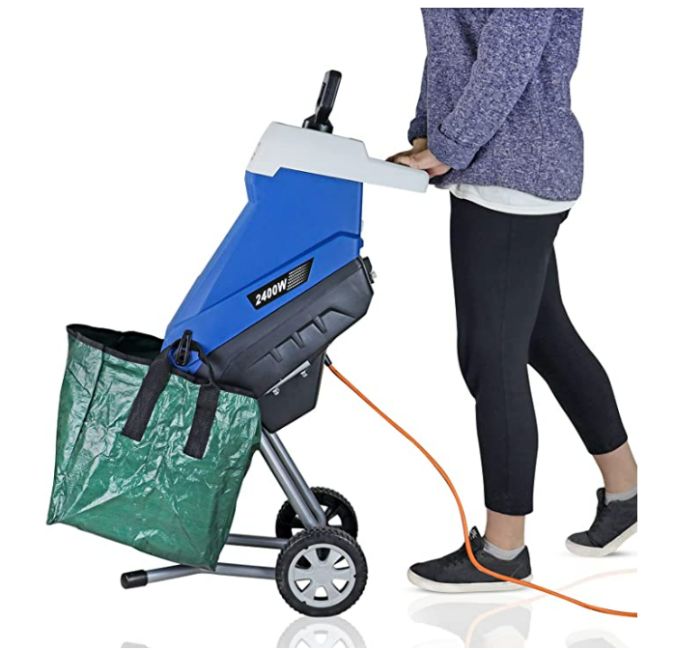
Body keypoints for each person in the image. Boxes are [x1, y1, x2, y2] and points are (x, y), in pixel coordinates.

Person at [389, 8, 638, 593]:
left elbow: (508, 58)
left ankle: (503, 550)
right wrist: (427, 132)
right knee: (543, 338)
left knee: (491, 359)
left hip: (513, 170)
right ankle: (625, 491)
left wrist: (449, 144)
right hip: (494, 164)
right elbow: (452, 46)